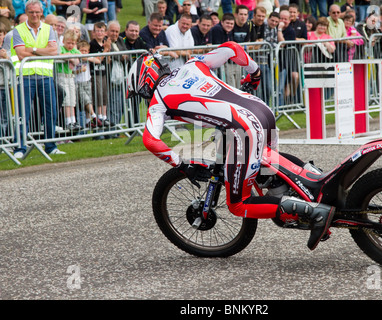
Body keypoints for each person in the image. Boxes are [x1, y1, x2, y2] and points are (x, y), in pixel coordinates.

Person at [126, 41, 336, 250]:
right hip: (263, 112)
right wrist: (254, 73)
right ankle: (317, 184)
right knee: (268, 169)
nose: (144, 96)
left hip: (243, 129)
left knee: (238, 204)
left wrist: (182, 165)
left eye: (140, 92)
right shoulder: (193, 63)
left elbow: (150, 140)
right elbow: (232, 48)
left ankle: (315, 213)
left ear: (144, 81)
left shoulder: (158, 101)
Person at [11, 0, 65, 158]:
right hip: (26, 77)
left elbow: (54, 52)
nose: (34, 15)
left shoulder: (49, 29)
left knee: (50, 112)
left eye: (37, 12)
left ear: (42, 13)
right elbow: (21, 54)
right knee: (23, 113)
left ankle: (50, 146)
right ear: (26, 13)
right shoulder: (18, 30)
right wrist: (43, 51)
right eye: (31, 12)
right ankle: (20, 148)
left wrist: (33, 49)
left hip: (45, 76)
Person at [56, 28, 82, 131]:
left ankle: (73, 120)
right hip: (62, 76)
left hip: (71, 77)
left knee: (72, 99)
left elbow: (78, 60)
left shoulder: (74, 50)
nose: (70, 45)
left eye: (73, 43)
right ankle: (68, 121)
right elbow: (58, 56)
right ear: (63, 42)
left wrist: (71, 57)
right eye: (68, 43)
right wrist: (69, 57)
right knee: (66, 100)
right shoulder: (62, 49)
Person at [89, 21, 113, 127]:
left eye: (101, 31)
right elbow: (98, 59)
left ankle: (104, 116)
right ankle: (99, 117)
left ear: (105, 33)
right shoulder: (92, 44)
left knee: (104, 94)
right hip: (95, 72)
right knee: (98, 94)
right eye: (97, 31)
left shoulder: (105, 43)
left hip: (104, 72)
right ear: (94, 32)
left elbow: (107, 60)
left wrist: (108, 51)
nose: (99, 33)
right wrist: (106, 50)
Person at [73, 40, 101, 128]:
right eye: (82, 51)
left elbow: (98, 61)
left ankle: (89, 121)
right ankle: (95, 117)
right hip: (78, 83)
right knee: (86, 100)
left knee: (89, 100)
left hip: (87, 81)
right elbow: (72, 71)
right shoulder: (76, 59)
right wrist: (80, 70)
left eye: (85, 51)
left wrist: (87, 58)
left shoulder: (88, 57)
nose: (84, 53)